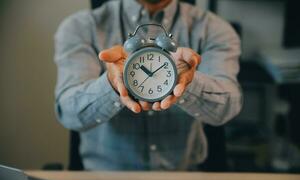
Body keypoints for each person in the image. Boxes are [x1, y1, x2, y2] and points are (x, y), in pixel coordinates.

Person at [54, 0, 242, 170]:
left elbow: (229, 106)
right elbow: (68, 113)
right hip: (105, 179)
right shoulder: (80, 27)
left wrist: (188, 82)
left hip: (183, 179)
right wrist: (111, 85)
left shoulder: (214, 28)